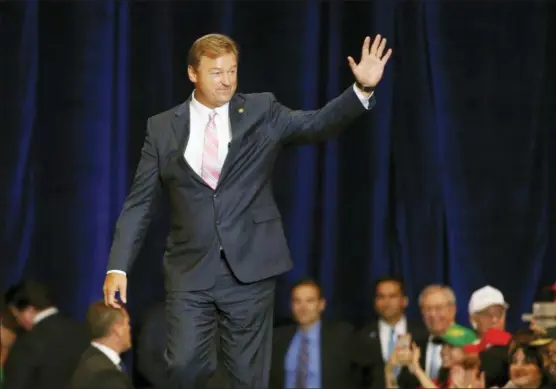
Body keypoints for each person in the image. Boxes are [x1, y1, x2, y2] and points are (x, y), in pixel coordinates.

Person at [102, 32, 392, 388]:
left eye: (232, 71)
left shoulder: (261, 111)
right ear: (193, 73)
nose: (226, 81)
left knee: (247, 376)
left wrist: (360, 90)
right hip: (190, 269)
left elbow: (315, 123)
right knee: (183, 366)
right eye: (216, 72)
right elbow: (140, 201)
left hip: (251, 267)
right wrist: (118, 266)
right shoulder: (162, 127)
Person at [70, 301, 133, 389]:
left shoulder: (87, 360)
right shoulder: (106, 375)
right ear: (118, 329)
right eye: (127, 323)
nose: (129, 328)